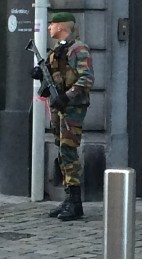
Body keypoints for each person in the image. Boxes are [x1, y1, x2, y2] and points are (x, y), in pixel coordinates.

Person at [30, 12, 94, 221]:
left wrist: (66, 97)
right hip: (58, 107)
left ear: (62, 26)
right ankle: (69, 199)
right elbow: (52, 77)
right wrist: (41, 76)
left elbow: (86, 79)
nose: (49, 27)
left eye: (52, 24)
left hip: (72, 107)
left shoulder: (79, 49)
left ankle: (75, 203)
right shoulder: (57, 50)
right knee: (62, 152)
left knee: (68, 151)